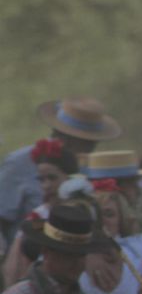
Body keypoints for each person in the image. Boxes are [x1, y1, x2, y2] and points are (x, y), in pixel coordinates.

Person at [0, 96, 120, 242]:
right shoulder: (19, 164)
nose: (90, 151)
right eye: (86, 144)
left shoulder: (90, 169)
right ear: (65, 140)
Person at [2, 138, 77, 285]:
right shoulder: (38, 218)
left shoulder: (84, 210)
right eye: (41, 180)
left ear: (69, 178)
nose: (46, 185)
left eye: (52, 178)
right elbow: (17, 266)